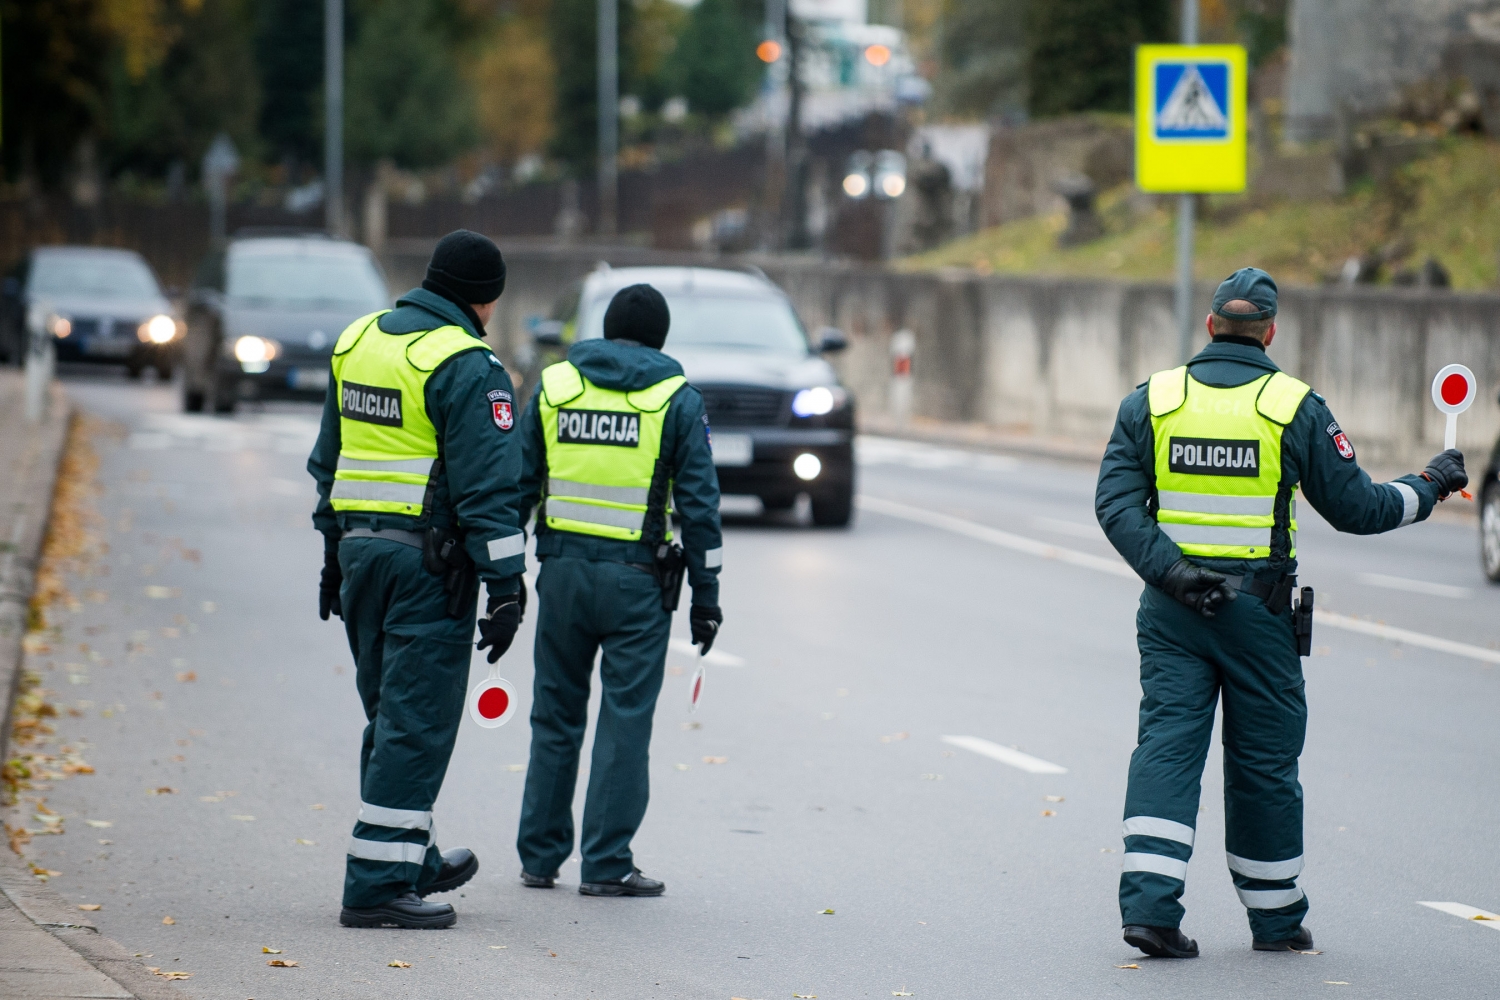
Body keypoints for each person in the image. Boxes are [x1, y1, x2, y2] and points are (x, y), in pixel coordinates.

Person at [1095, 267, 1467, 958]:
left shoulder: (1152, 401)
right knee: (1264, 763)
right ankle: (1275, 921)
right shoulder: (1293, 407)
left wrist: (1175, 573)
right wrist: (1432, 483)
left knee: (1167, 747)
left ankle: (1149, 911)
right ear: (1270, 331)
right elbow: (1359, 508)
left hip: (1173, 611)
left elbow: (1116, 507)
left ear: (1209, 326)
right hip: (1257, 617)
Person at [308, 230, 528, 929]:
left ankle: (411, 857)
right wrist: (507, 585)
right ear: (485, 299)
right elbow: (489, 490)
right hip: (427, 567)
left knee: (390, 713)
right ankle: (374, 887)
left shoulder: (360, 342)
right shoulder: (469, 365)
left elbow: (328, 461)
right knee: (416, 723)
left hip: (360, 556)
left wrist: (329, 555)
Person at [509, 283, 723, 897]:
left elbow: (518, 486)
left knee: (554, 716)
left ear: (603, 330)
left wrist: (501, 576)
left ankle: (539, 856)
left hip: (563, 576)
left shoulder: (555, 387)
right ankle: (605, 864)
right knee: (624, 720)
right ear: (660, 338)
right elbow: (701, 510)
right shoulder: (675, 401)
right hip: (637, 583)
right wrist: (706, 596)